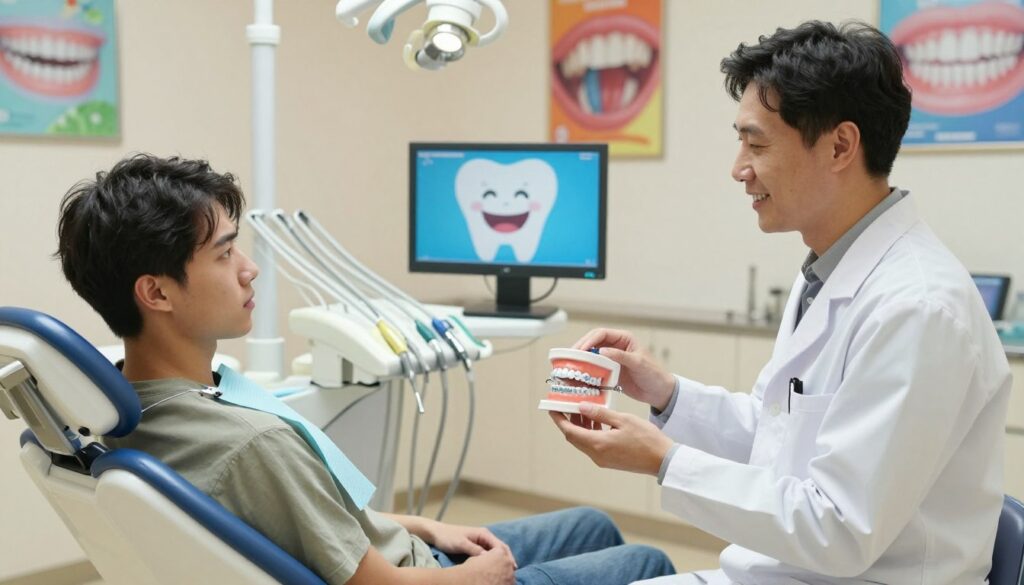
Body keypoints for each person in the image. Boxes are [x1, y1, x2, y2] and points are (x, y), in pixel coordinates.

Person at [55, 153, 676, 585]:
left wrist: (429, 525)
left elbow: (319, 520)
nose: (249, 269)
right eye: (224, 254)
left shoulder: (127, 410)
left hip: (400, 548)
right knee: (645, 563)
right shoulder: (252, 445)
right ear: (156, 293)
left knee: (592, 522)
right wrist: (482, 574)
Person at [550, 20, 1012, 585]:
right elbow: (778, 439)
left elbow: (840, 528)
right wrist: (666, 394)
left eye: (756, 143)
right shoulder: (828, 271)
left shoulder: (916, 308)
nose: (738, 168)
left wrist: (663, 460)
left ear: (840, 145)